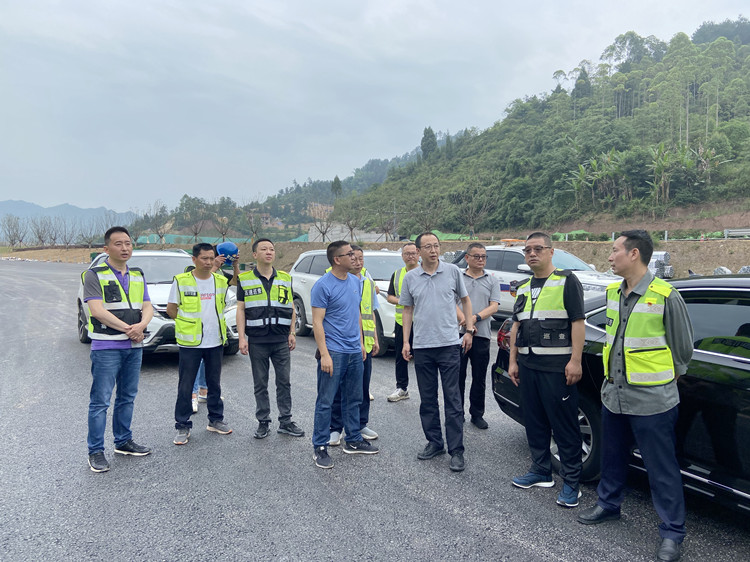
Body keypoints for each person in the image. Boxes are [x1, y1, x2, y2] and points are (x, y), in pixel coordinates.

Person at [577, 230, 694, 562]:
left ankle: (672, 533)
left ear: (634, 254)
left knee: (661, 468)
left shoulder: (665, 296)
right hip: (614, 395)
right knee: (613, 457)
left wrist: (660, 381)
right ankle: (608, 504)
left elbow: (683, 350)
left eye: (614, 251)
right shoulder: (613, 292)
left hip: (653, 402)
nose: (609, 257)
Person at [507, 232, 585, 508]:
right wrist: (513, 361)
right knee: (535, 421)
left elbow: (578, 322)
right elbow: (517, 325)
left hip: (556, 368)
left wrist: (575, 361)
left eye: (538, 249)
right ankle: (541, 471)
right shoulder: (525, 287)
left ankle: (571, 484)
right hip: (528, 366)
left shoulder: (566, 281)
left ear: (551, 252)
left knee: (564, 426)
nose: (531, 254)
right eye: (527, 250)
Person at [400, 232, 473, 472]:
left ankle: (457, 450)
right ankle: (434, 442)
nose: (433, 250)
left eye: (436, 246)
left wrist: (469, 328)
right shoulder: (410, 278)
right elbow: (407, 311)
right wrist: (406, 341)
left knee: (453, 400)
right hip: (422, 346)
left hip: (449, 345)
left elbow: (465, 299)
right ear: (418, 251)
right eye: (428, 247)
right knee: (428, 399)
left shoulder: (452, 271)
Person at [83, 226, 154, 472]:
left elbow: (147, 305)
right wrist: (129, 329)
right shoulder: (94, 274)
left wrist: (142, 325)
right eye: (118, 244)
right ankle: (95, 451)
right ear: (106, 249)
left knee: (127, 397)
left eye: (128, 243)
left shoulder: (137, 274)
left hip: (134, 347)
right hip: (107, 347)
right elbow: (97, 310)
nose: (125, 248)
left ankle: (123, 441)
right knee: (100, 400)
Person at [311, 241, 379, 469]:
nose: (355, 257)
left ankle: (353, 440)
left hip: (353, 350)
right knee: (326, 401)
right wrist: (325, 354)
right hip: (334, 352)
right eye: (349, 254)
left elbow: (357, 313)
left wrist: (360, 343)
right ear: (337, 259)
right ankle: (319, 446)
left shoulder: (356, 281)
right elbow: (318, 323)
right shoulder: (323, 285)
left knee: (354, 399)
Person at [237, 238, 304, 439]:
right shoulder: (245, 279)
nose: (269, 252)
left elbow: (290, 307)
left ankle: (285, 421)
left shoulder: (285, 278)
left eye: (272, 249)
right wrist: (242, 337)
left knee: (284, 382)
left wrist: (292, 332)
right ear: (255, 255)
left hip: (281, 340)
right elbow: (240, 309)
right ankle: (263, 421)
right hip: (257, 341)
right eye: (264, 249)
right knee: (260, 383)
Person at [169, 243, 233, 445]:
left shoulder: (221, 281)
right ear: (194, 259)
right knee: (186, 386)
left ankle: (215, 420)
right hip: (191, 343)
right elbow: (172, 309)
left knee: (214, 384)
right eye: (204, 258)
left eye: (211, 258)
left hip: (215, 341)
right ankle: (182, 425)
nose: (208, 262)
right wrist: (188, 325)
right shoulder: (181, 281)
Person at [329, 245, 379, 445]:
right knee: (338, 389)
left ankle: (360, 423)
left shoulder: (367, 281)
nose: (357, 262)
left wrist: (373, 337)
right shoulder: (331, 279)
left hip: (363, 343)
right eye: (353, 257)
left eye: (360, 258)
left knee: (362, 387)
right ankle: (335, 427)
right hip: (341, 344)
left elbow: (370, 311)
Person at [457, 242, 500, 430]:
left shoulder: (492, 280)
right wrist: (467, 322)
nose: (481, 260)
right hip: (457, 334)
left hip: (481, 335)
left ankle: (477, 413)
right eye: (477, 256)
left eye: (483, 256)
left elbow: (494, 305)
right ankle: (457, 413)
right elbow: (452, 302)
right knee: (457, 377)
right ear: (467, 258)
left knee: (479, 377)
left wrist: (474, 319)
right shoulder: (458, 277)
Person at [386, 242, 420, 402]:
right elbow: (390, 296)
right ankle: (402, 388)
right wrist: (402, 300)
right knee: (401, 356)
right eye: (407, 253)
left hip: (422, 324)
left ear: (418, 254)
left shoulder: (424, 273)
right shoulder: (398, 274)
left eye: (413, 253)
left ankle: (425, 389)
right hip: (402, 322)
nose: (410, 256)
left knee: (422, 358)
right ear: (402, 256)